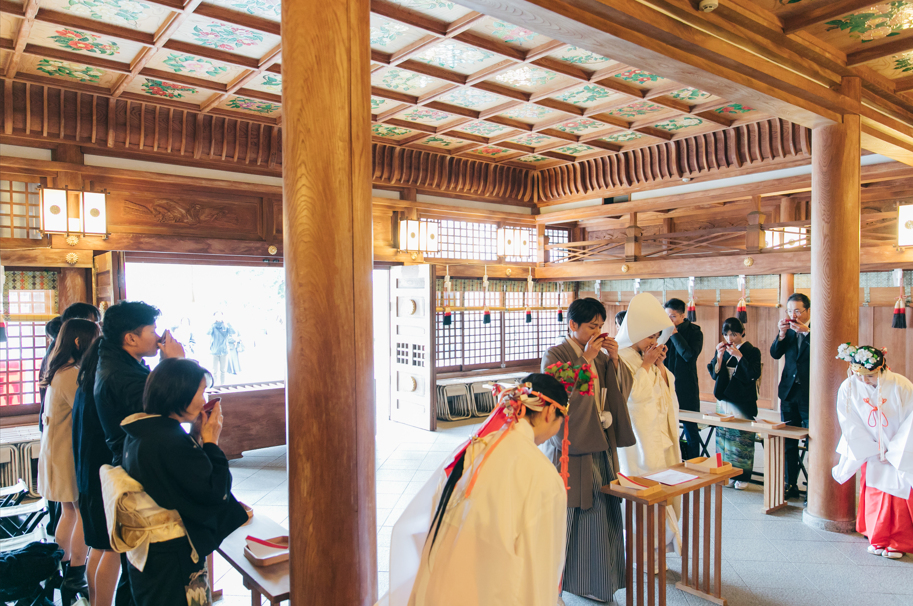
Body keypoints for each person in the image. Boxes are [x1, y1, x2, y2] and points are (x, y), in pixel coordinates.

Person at [405, 375, 570, 606]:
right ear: (551, 412)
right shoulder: (542, 475)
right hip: (489, 592)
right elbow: (540, 566)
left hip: (438, 587)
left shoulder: (476, 447)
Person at [117, 358, 247, 605]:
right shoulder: (168, 440)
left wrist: (195, 436)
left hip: (149, 555)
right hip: (172, 556)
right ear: (180, 393)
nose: (204, 400)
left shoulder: (144, 430)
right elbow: (213, 492)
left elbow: (183, 475)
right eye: (201, 392)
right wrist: (212, 442)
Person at [541, 298, 636, 602]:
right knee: (572, 514)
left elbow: (619, 391)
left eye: (600, 326)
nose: (598, 332)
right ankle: (561, 584)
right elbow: (556, 396)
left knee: (603, 510)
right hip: (573, 449)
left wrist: (615, 360)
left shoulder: (601, 357)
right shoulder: (556, 354)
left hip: (600, 444)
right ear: (573, 325)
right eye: (592, 326)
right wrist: (585, 360)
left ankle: (598, 583)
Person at [94, 301, 184, 606]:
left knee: (137, 567)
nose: (158, 337)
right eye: (152, 330)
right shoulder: (122, 376)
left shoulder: (117, 362)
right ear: (130, 338)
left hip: (131, 462)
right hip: (139, 470)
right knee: (147, 566)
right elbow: (167, 411)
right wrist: (175, 365)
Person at [38, 318, 99, 604]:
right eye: (94, 337)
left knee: (68, 512)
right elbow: (87, 410)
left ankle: (58, 569)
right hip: (67, 454)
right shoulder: (72, 374)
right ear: (79, 341)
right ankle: (75, 572)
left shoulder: (58, 369)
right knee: (81, 513)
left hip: (56, 451)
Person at [833, 344, 913, 559]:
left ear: (882, 367)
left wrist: (894, 451)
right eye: (859, 375)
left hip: (898, 451)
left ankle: (897, 542)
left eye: (869, 376)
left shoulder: (901, 385)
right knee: (874, 494)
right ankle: (877, 538)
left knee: (897, 496)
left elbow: (911, 421)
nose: (864, 380)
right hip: (871, 450)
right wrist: (871, 448)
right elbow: (849, 421)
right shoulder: (849, 386)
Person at [617, 292, 681, 557]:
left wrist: (659, 366)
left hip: (659, 433)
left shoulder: (646, 356)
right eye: (649, 336)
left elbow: (666, 390)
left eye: (656, 336)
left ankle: (659, 548)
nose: (654, 341)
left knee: (664, 490)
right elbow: (633, 397)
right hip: (638, 440)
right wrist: (646, 364)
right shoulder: (621, 356)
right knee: (644, 491)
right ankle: (641, 552)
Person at [73, 336, 122, 606]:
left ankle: (94, 601)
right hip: (101, 478)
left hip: (86, 475)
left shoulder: (84, 387)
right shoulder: (102, 390)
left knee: (98, 547)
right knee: (112, 549)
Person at [707, 318, 762, 490]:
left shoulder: (752, 351)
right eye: (726, 334)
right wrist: (719, 356)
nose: (729, 338)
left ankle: (742, 475)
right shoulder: (723, 349)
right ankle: (726, 472)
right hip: (724, 399)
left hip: (742, 400)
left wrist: (739, 357)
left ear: (742, 333)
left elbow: (753, 373)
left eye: (734, 334)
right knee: (723, 438)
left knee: (741, 439)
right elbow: (714, 373)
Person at [770, 293, 810, 499]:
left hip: (810, 394)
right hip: (788, 392)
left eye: (797, 311)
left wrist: (808, 333)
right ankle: (790, 484)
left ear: (807, 311)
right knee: (788, 440)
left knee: (813, 442)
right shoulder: (788, 331)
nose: (793, 315)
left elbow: (826, 351)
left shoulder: (816, 329)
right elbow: (775, 353)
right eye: (789, 311)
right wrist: (781, 334)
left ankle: (814, 489)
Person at [663, 298, 704, 460]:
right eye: (666, 316)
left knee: (690, 429)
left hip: (686, 387)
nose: (669, 320)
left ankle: (694, 463)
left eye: (672, 316)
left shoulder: (695, 332)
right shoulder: (662, 331)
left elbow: (689, 356)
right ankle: (670, 462)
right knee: (665, 427)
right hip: (665, 386)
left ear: (682, 315)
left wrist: (674, 334)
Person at [207, 312, 237, 385]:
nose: (219, 317)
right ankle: (214, 384)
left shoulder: (225, 325)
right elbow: (208, 333)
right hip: (214, 351)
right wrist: (212, 324)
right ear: (214, 317)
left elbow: (233, 332)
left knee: (223, 370)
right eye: (217, 315)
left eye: (220, 315)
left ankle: (222, 385)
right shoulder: (213, 325)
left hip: (224, 351)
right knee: (214, 370)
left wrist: (228, 324)